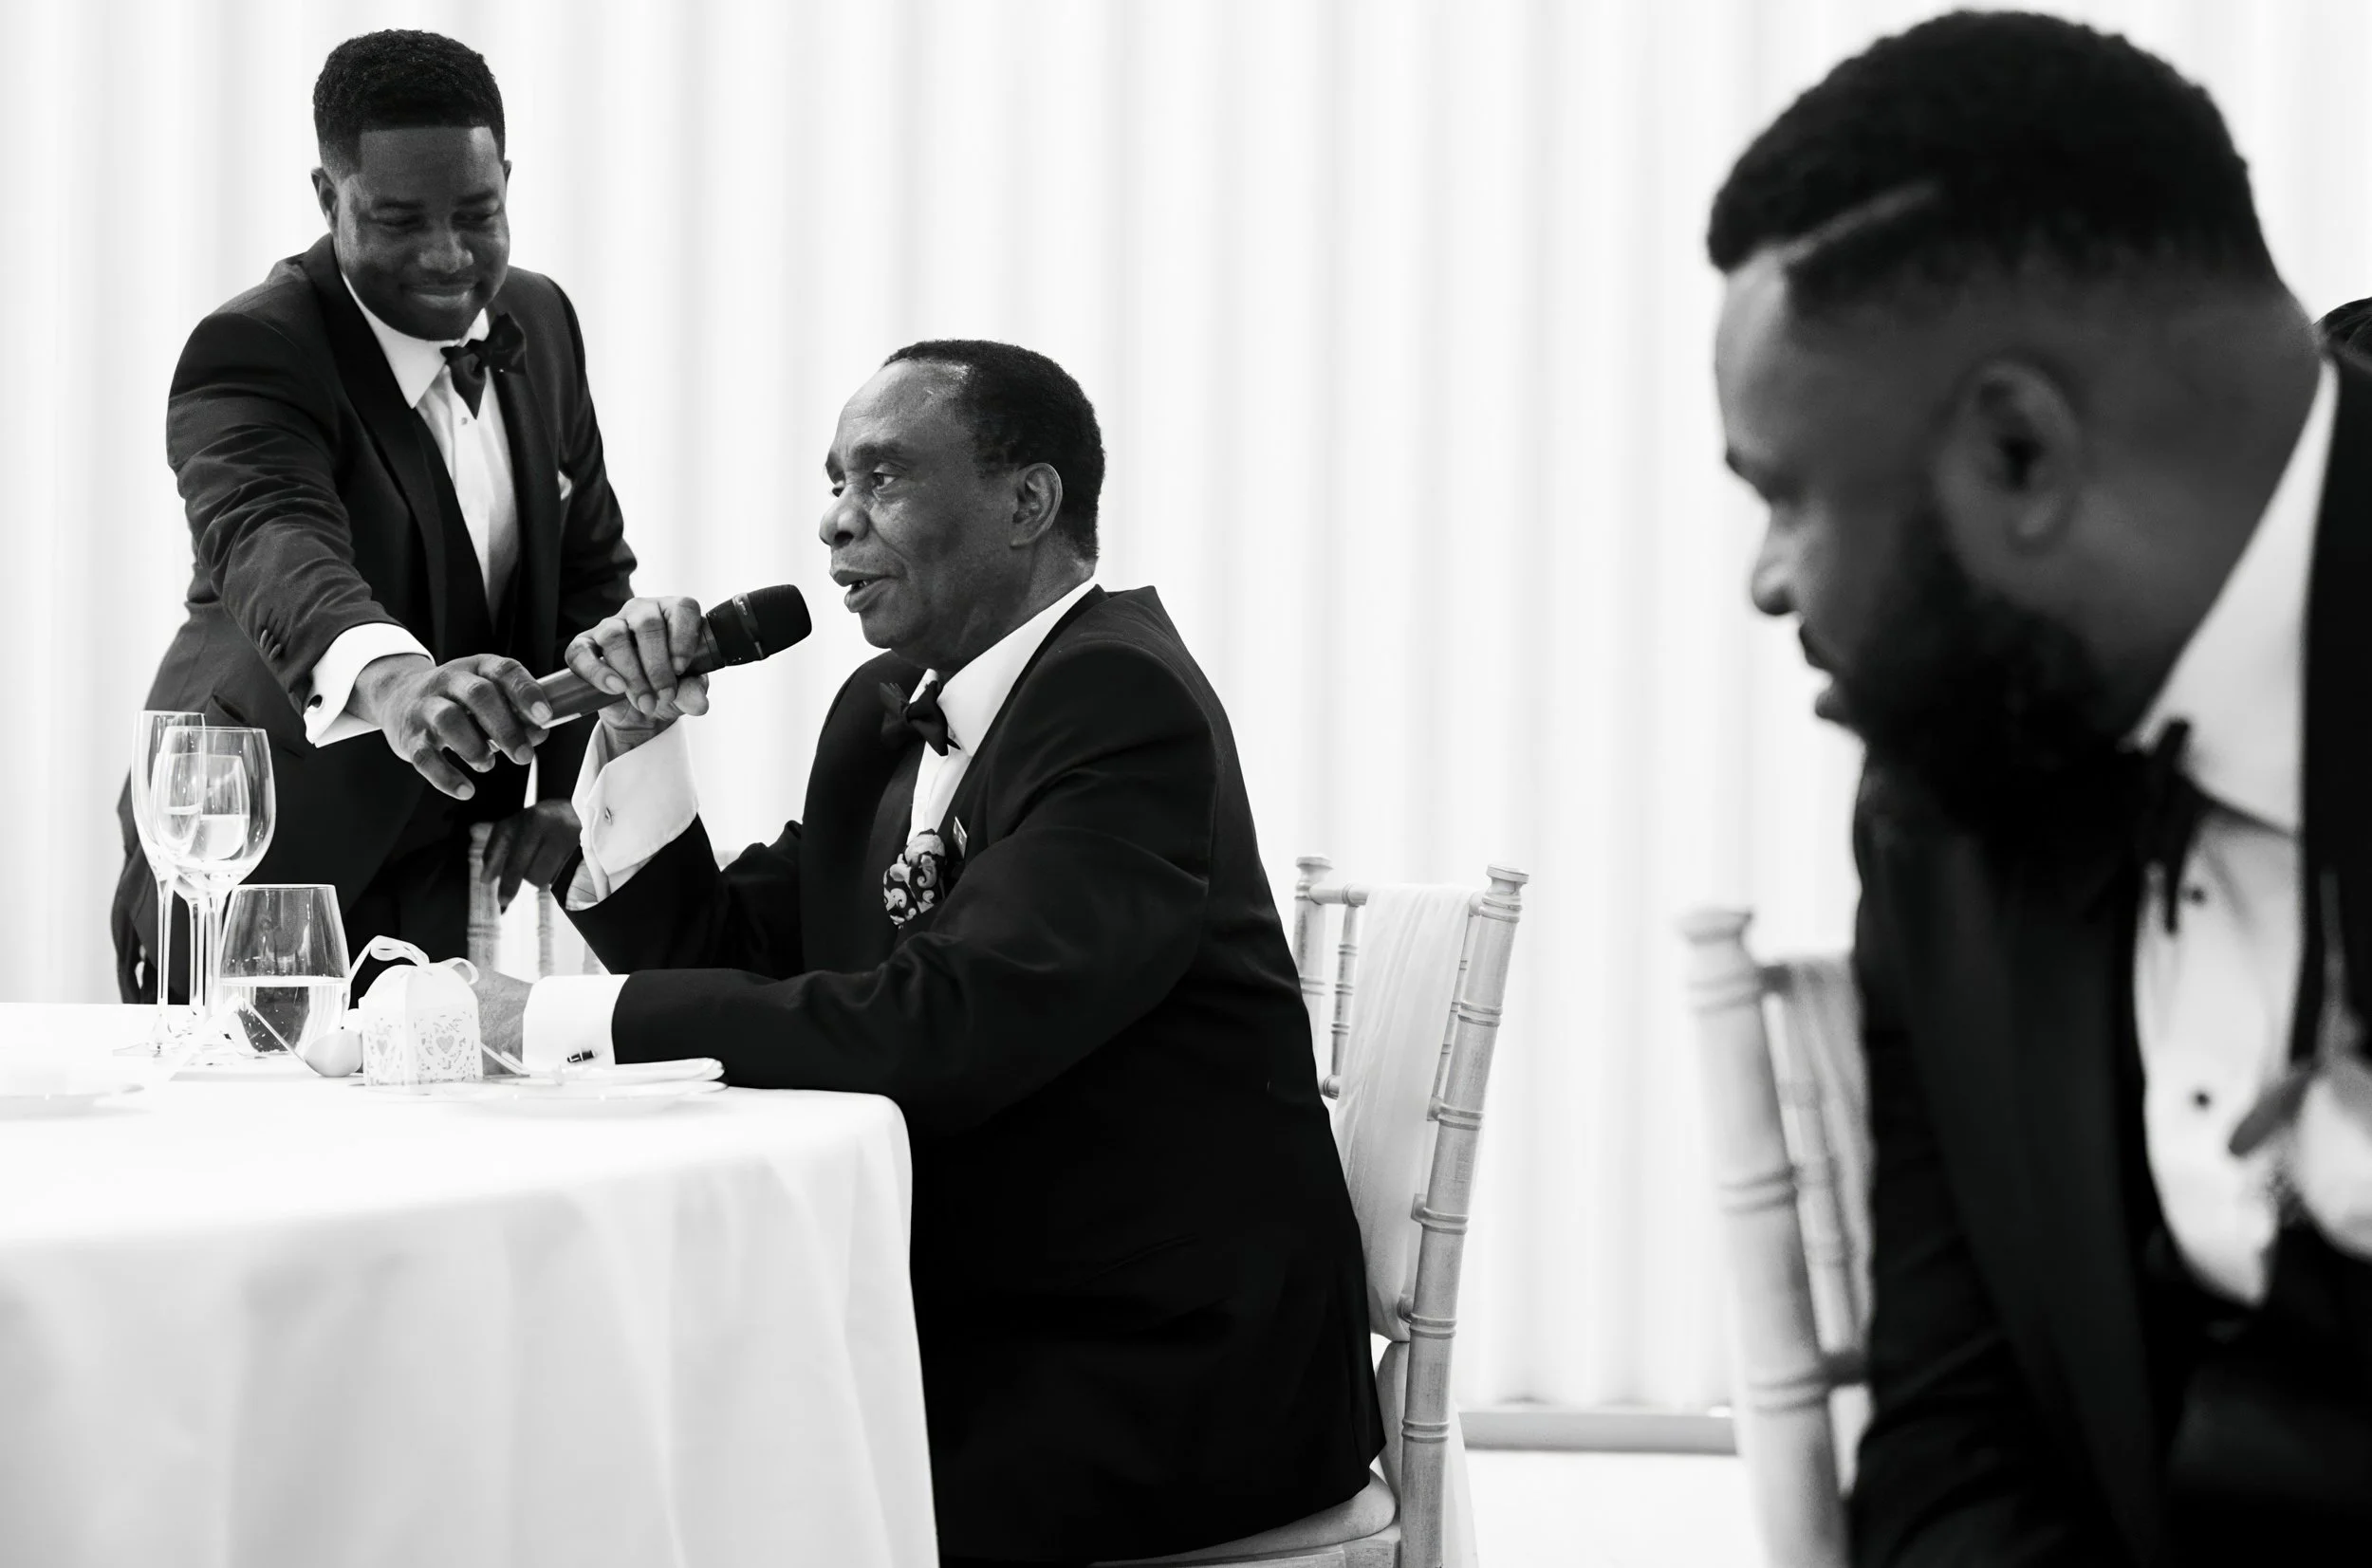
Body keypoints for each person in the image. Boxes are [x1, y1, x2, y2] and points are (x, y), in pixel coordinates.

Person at [473, 341, 1382, 1566]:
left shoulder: (1121, 700)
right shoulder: (888, 704)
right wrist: (634, 733)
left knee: (695, 1499)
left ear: (1028, 502)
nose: (834, 523)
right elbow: (741, 952)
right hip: (969, 1315)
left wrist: (540, 1020)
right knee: (600, 1440)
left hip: (1150, 1364)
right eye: (835, 483)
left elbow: (935, 1031)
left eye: (883, 481)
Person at [1709, 12, 2372, 1565]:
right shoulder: (1941, 801)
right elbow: (1958, 1426)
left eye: (1786, 496)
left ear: (2020, 448)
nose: (1764, 579)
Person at [112, 28, 637, 995]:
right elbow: (272, 535)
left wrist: (567, 792)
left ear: (508, 181)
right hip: (258, 855)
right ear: (329, 197)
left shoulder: (544, 319)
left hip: (454, 878)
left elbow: (591, 580)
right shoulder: (253, 345)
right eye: (398, 222)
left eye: (477, 214)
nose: (448, 256)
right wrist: (398, 686)